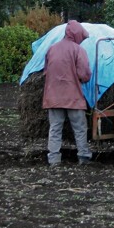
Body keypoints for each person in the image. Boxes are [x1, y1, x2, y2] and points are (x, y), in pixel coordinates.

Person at [42, 20, 93, 166]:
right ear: (77, 35)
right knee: (80, 128)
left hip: (53, 97)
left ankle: (53, 159)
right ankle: (83, 157)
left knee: (55, 129)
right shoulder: (78, 50)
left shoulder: (51, 49)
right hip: (73, 97)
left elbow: (46, 72)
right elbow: (84, 75)